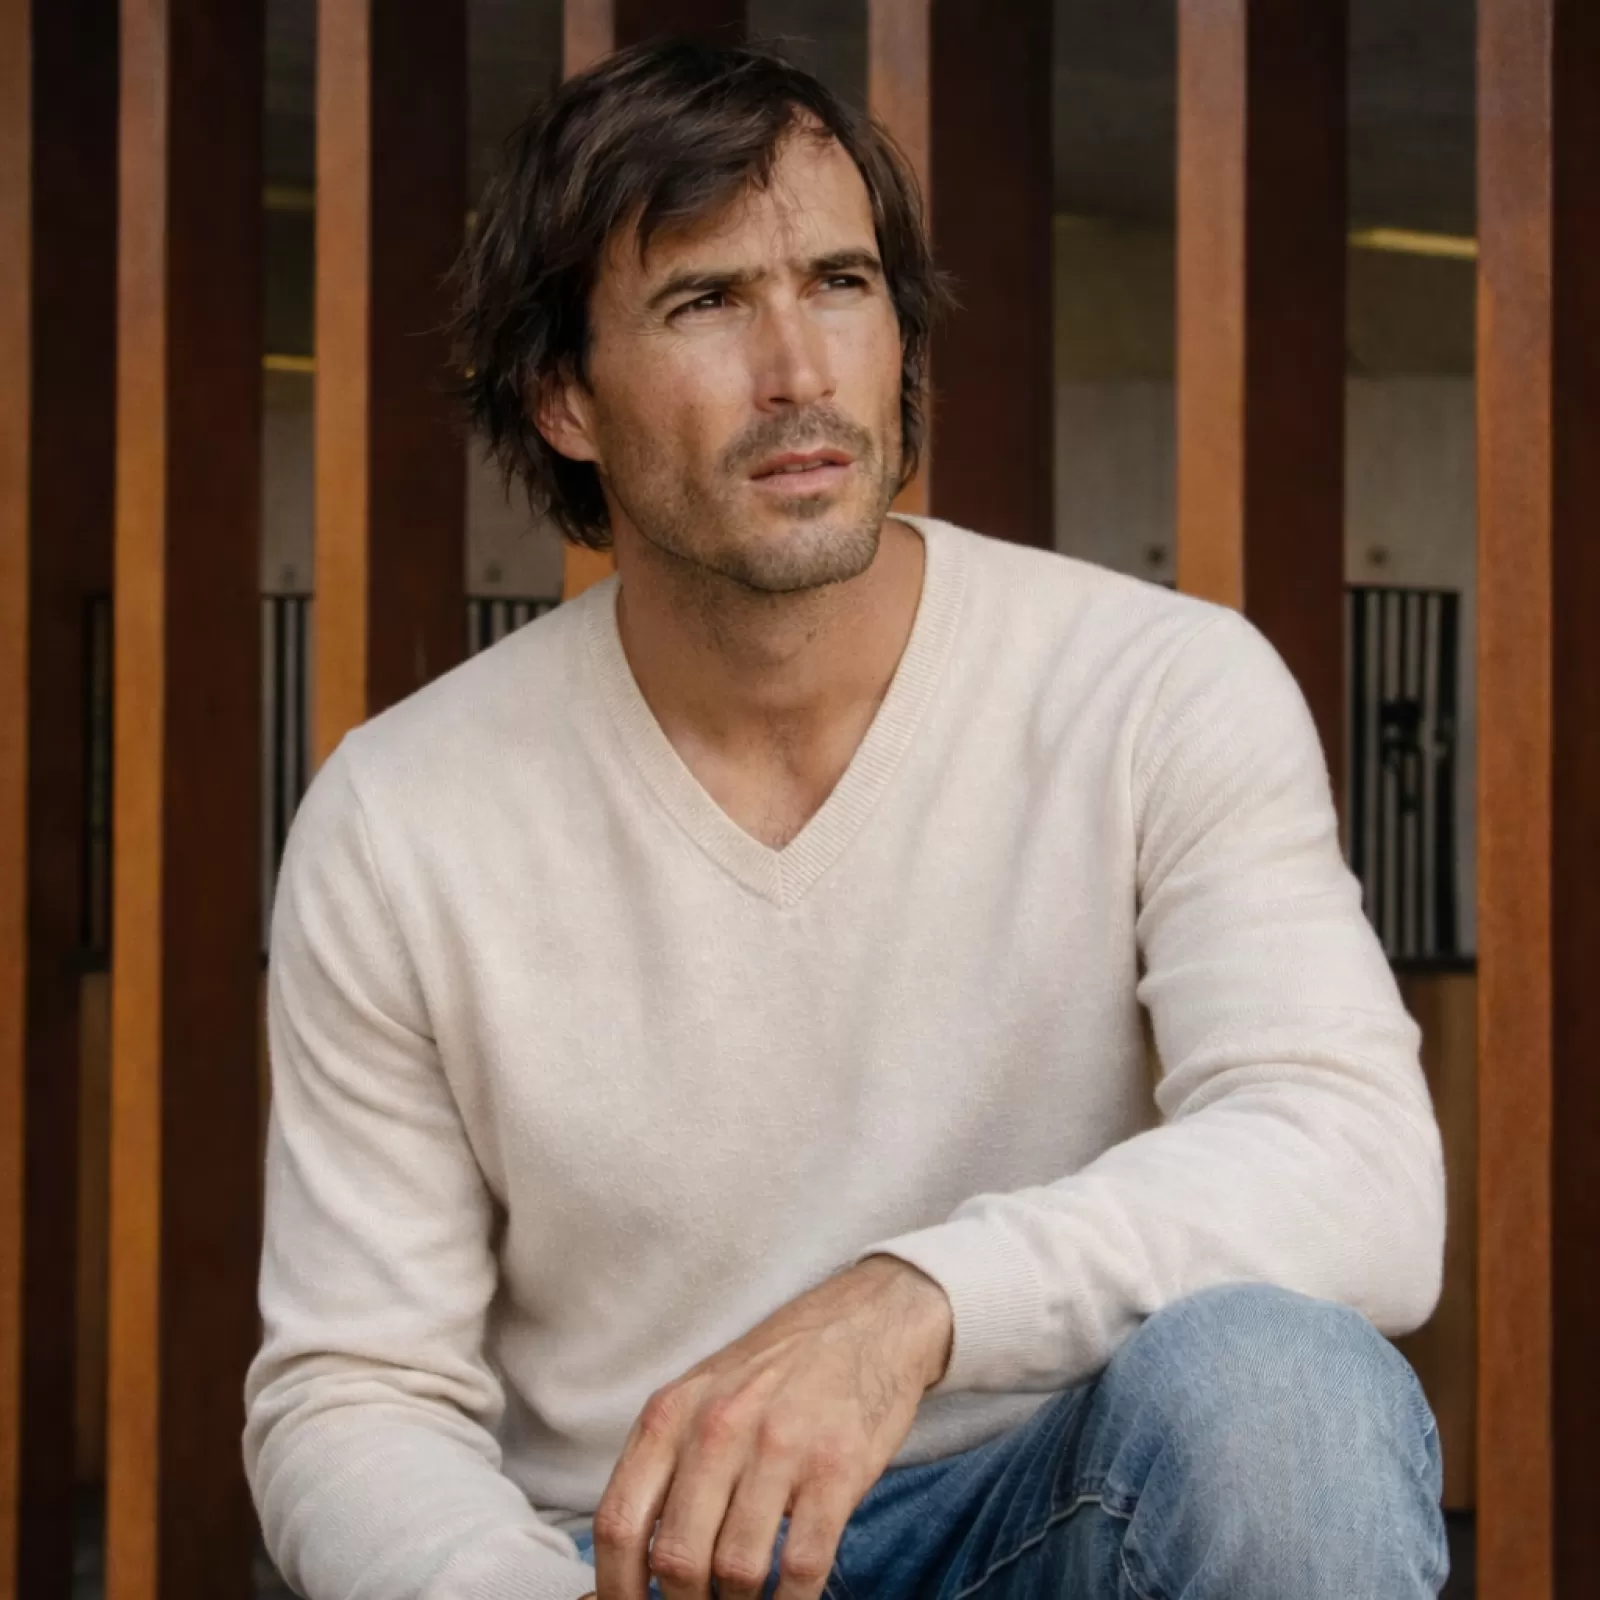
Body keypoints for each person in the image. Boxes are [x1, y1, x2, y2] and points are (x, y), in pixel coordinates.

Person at [244, 39, 1449, 1600]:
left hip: (1054, 1517)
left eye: (840, 283)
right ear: (563, 396)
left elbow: (1355, 1165)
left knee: (1285, 1395)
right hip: (629, 1561)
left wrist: (914, 1303)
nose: (800, 372)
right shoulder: (403, 814)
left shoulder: (1160, 690)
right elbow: (355, 1389)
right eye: (706, 301)